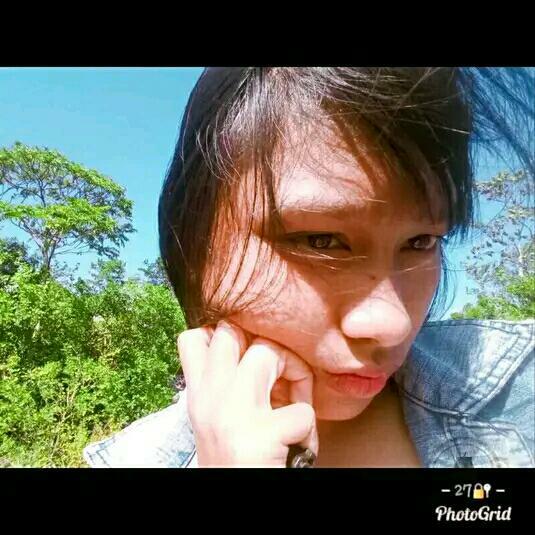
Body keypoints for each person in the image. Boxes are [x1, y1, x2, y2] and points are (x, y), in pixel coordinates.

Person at [83, 67, 534, 468]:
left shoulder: (521, 389)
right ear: (193, 242)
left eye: (421, 242)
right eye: (321, 241)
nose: (393, 325)